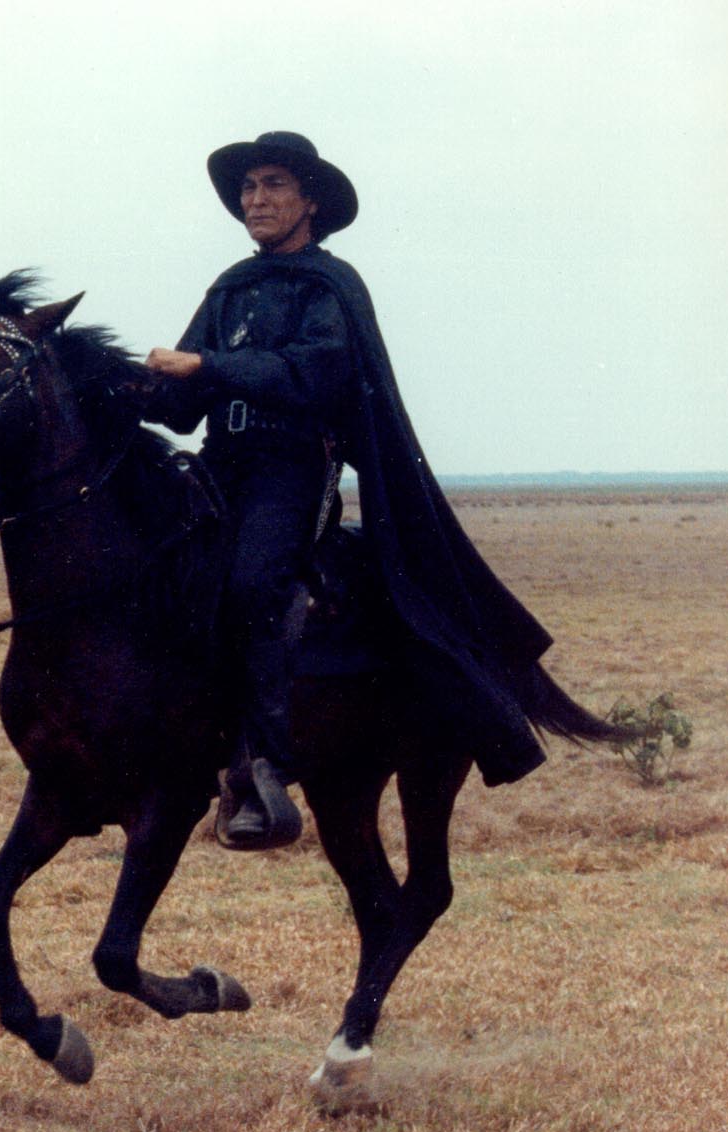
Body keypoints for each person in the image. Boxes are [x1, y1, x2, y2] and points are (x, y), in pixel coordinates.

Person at [142, 131, 553, 850]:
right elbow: (180, 406)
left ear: (310, 201)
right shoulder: (230, 287)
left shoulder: (331, 287)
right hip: (220, 464)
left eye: (273, 184)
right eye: (248, 188)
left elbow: (313, 373)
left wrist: (207, 366)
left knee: (253, 583)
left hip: (291, 470)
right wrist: (129, 386)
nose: (255, 200)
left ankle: (264, 765)